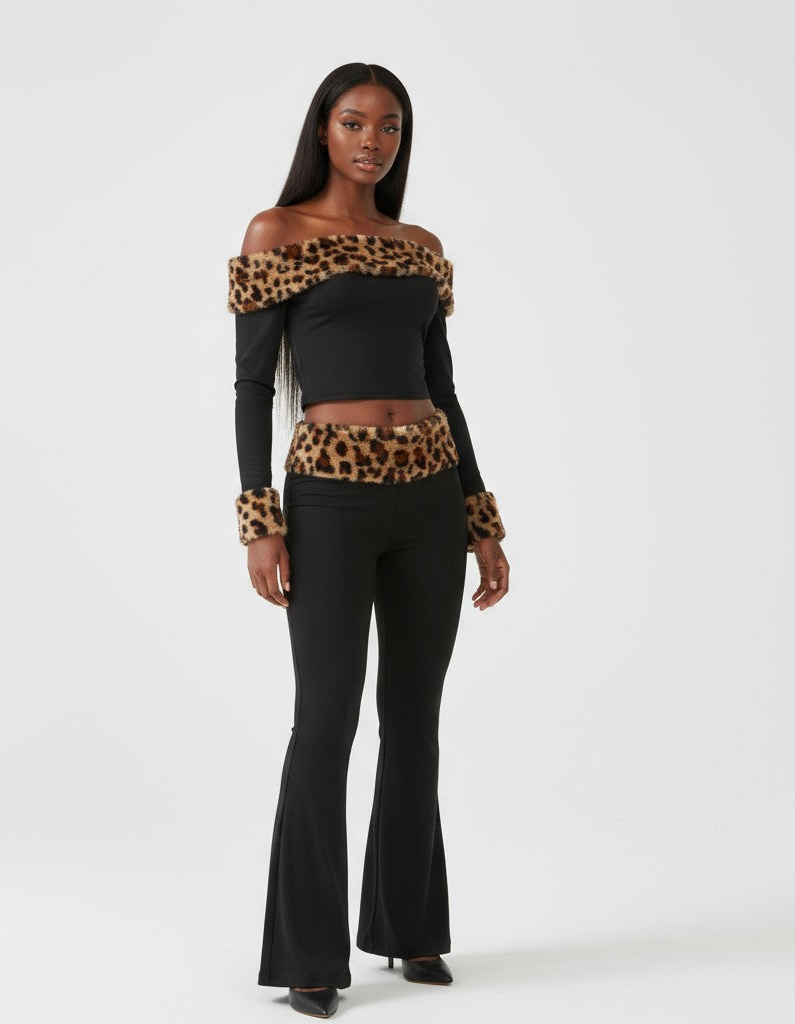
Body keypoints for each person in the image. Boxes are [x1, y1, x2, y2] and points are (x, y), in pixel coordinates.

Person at [228, 62, 510, 1019]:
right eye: (354, 122)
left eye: (389, 126)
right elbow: (252, 386)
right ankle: (307, 954)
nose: (372, 141)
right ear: (323, 128)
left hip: (428, 495)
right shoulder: (276, 233)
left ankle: (409, 926)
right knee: (326, 720)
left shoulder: (420, 249)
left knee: (415, 720)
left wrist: (480, 520)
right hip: (330, 501)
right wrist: (260, 520)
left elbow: (445, 389)